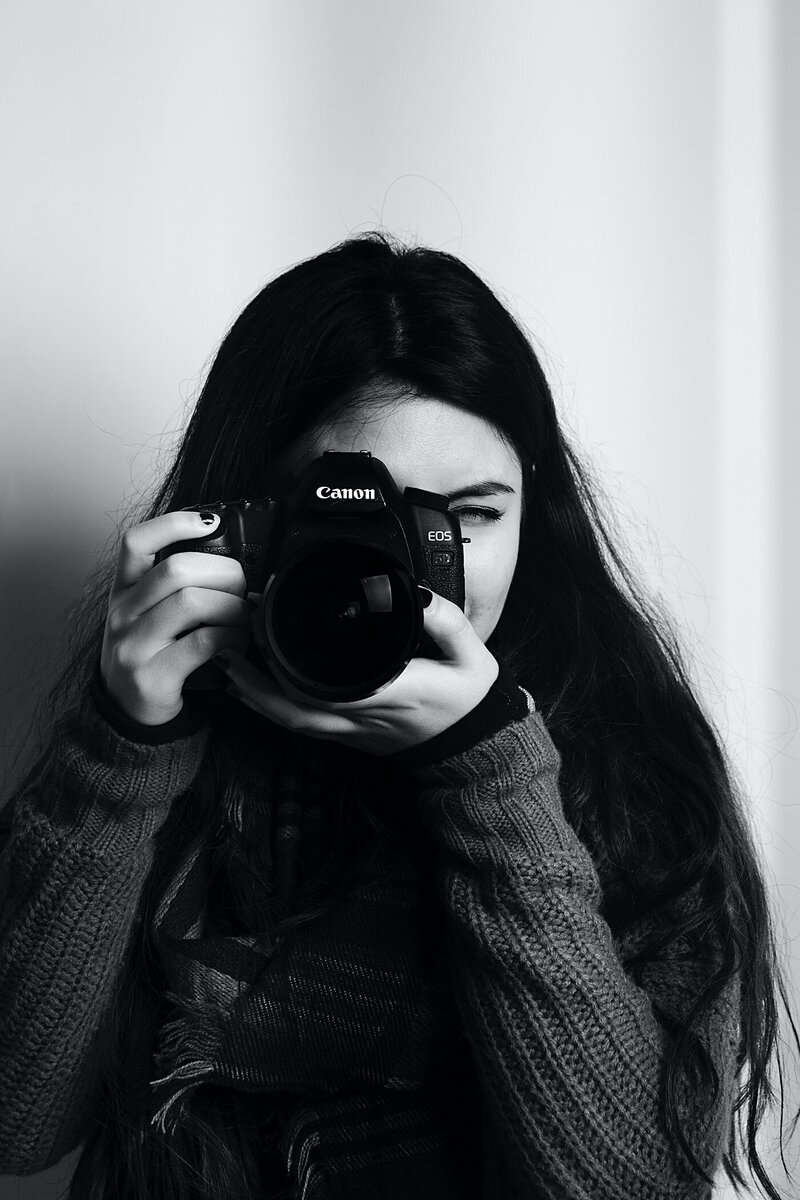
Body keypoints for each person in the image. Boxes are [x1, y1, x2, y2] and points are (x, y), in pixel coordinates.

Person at [0, 232, 796, 1200]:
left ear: (535, 512)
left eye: (464, 518)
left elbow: (631, 1186)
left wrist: (486, 775)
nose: (411, 577)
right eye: (358, 522)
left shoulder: (624, 759)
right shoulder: (162, 735)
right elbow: (16, 1122)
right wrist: (122, 748)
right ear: (247, 521)